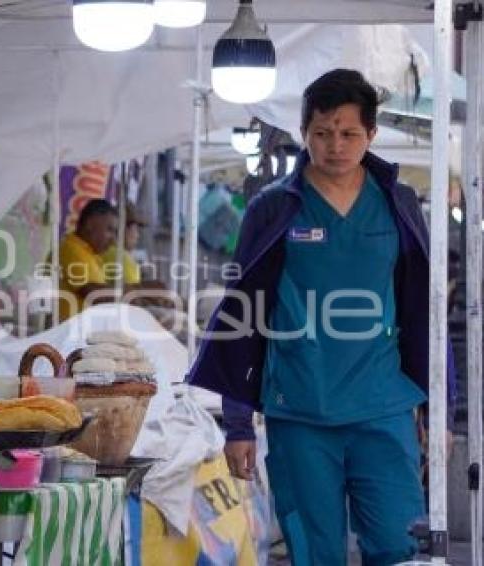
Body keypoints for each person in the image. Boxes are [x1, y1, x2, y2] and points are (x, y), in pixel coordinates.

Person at [187, 69, 456, 565]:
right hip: (300, 411)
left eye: (349, 133)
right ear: (304, 131)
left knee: (400, 548)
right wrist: (239, 424)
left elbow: (424, 307)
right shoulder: (273, 209)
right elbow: (242, 313)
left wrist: (441, 408)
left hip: (384, 408)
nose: (336, 145)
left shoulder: (398, 204)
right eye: (322, 133)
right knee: (315, 553)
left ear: (371, 134)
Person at [57, 198, 118, 321]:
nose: (113, 240)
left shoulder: (90, 253)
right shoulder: (71, 249)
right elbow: (95, 294)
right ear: (90, 224)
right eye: (110, 230)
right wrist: (138, 292)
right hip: (66, 335)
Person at [101, 201, 147, 285]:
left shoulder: (101, 252)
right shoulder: (121, 258)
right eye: (135, 229)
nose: (138, 236)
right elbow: (134, 295)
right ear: (123, 228)